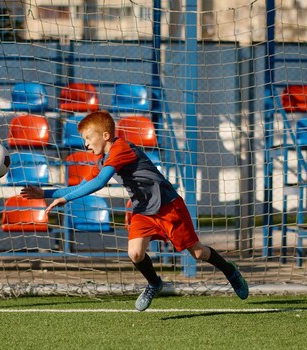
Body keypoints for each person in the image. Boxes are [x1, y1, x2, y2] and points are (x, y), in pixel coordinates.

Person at [21, 111, 248, 311]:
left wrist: (65, 199)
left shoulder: (121, 148)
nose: (86, 145)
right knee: (135, 253)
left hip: (168, 206)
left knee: (198, 253)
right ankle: (154, 284)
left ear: (106, 136)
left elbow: (99, 183)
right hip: (142, 210)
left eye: (88, 139)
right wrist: (46, 194)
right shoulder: (102, 160)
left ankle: (230, 271)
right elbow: (82, 185)